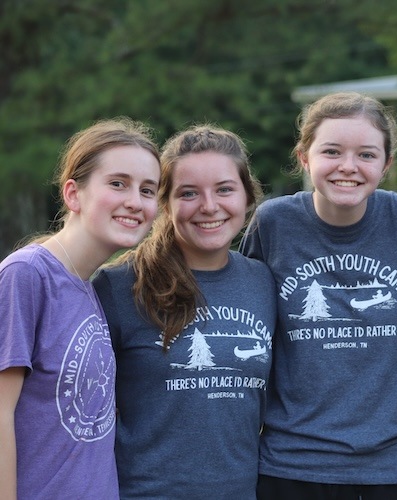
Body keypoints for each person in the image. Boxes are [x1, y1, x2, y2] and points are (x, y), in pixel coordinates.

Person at [239, 91, 397, 499]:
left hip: (393, 468)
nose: (349, 166)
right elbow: (244, 308)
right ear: (304, 158)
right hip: (292, 463)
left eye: (366, 154)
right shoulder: (275, 223)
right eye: (332, 151)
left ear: (387, 164)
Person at [92, 125, 276, 498]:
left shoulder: (264, 282)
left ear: (248, 196)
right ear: (165, 204)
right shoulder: (118, 287)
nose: (209, 206)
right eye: (188, 193)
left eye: (225, 189)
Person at [0, 118, 161, 499]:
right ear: (73, 194)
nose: (135, 202)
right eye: (118, 183)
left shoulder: (91, 288)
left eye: (148, 190)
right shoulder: (26, 276)